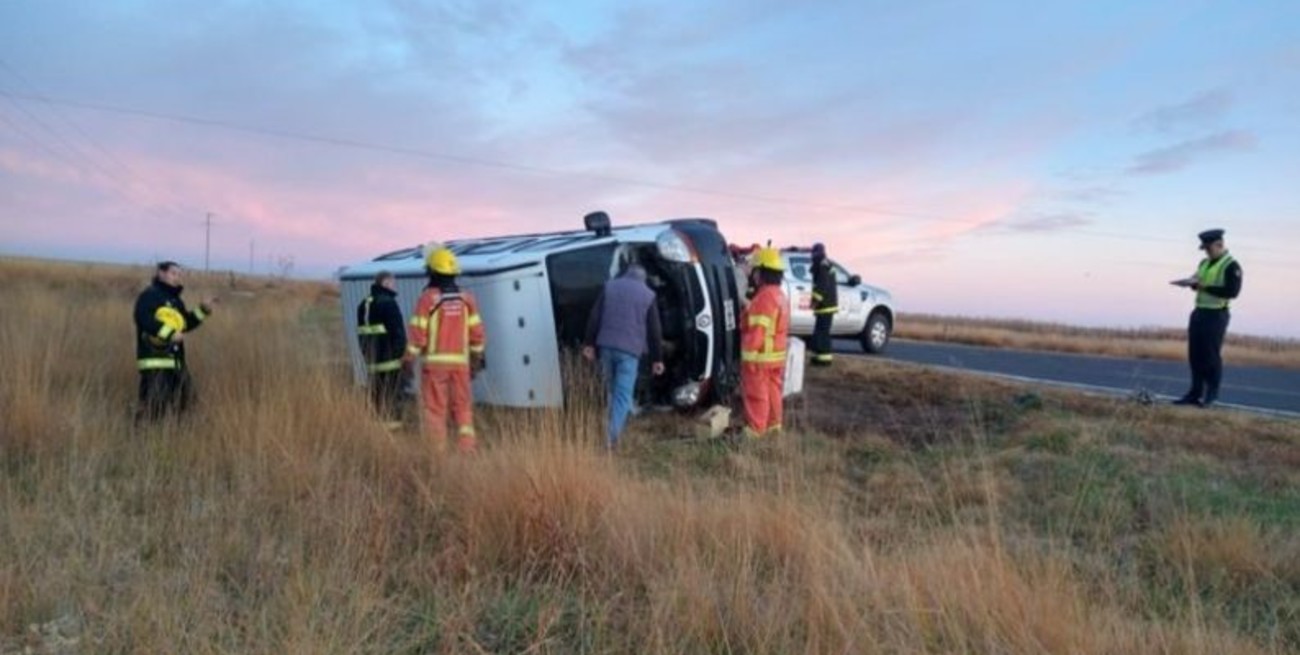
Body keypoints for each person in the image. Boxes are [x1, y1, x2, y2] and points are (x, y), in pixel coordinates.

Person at [405, 246, 486, 453]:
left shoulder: (428, 299)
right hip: (461, 364)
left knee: (435, 409)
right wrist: (477, 356)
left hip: (435, 365)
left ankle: (436, 454)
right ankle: (467, 450)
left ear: (432, 272)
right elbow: (477, 332)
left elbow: (418, 334)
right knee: (462, 407)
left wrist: (408, 359)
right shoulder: (467, 299)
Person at [583, 263, 665, 449]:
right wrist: (657, 359)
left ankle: (614, 427)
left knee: (612, 390)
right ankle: (610, 440)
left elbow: (594, 316)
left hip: (606, 346)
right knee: (622, 395)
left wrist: (589, 344)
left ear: (627, 274)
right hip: (629, 351)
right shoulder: (648, 295)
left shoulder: (609, 286)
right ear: (643, 279)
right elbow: (654, 330)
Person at [133, 261, 216, 421]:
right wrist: (169, 333)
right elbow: (144, 319)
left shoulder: (176, 301)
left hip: (176, 363)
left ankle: (179, 437)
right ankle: (143, 437)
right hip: (155, 362)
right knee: (154, 408)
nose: (177, 277)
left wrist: (203, 311)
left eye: (179, 274)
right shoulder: (149, 296)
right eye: (173, 273)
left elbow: (184, 324)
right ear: (161, 274)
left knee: (186, 403)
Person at [1173, 229, 1243, 408]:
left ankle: (1211, 395)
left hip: (1216, 314)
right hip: (1199, 312)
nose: (1206, 252)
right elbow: (1198, 281)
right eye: (1204, 249)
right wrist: (1191, 283)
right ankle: (1194, 393)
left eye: (1209, 248)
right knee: (1195, 355)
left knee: (1210, 356)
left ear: (1219, 245)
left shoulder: (1231, 265)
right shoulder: (1204, 262)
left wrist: (1204, 287)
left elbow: (1232, 292)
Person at [739, 247, 789, 438]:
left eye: (755, 271)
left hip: (760, 357)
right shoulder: (779, 295)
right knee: (773, 392)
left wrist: (748, 357)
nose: (753, 275)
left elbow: (757, 331)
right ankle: (773, 427)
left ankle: (755, 431)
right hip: (775, 357)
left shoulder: (764, 297)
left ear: (762, 272)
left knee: (756, 394)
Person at [356, 270, 407, 428]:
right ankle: (394, 428)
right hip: (390, 360)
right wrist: (401, 354)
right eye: (392, 283)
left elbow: (362, 332)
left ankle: (376, 426)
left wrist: (366, 354)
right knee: (392, 395)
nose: (394, 287)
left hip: (372, 360)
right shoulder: (388, 303)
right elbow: (398, 332)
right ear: (385, 283)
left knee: (376, 394)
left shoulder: (364, 304)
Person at [809, 242, 838, 366]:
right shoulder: (824, 263)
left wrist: (815, 301)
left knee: (822, 333)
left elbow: (822, 285)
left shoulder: (822, 265)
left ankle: (824, 360)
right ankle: (818, 357)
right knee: (819, 333)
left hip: (826, 305)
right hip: (825, 305)